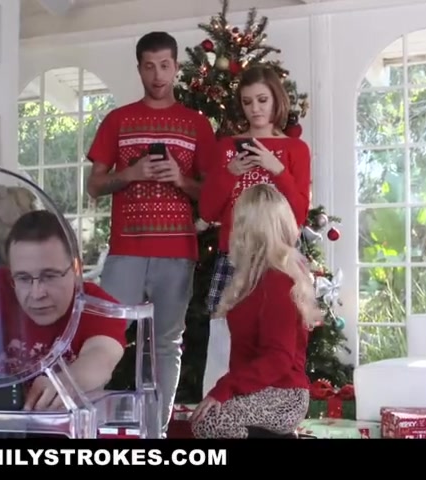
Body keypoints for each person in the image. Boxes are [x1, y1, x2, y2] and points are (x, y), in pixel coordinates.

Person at [85, 31, 217, 433]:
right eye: (149, 66)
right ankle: (83, 426)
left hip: (177, 252)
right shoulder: (118, 120)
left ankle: (156, 434)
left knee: (166, 345)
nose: (157, 75)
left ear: (176, 67)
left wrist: (180, 179)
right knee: (102, 334)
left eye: (164, 66)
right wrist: (130, 173)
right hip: (125, 250)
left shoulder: (196, 124)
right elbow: (94, 185)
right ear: (139, 68)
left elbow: (213, 195)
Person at [0, 210, 127, 410]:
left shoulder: (98, 304)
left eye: (49, 276)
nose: (37, 293)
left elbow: (101, 358)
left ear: (76, 269)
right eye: (23, 278)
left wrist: (66, 382)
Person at [198, 66, 311, 397]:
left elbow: (299, 215)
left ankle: (265, 409)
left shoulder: (296, 150)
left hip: (278, 258)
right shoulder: (228, 148)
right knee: (224, 337)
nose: (255, 109)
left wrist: (277, 169)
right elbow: (207, 211)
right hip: (233, 256)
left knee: (276, 336)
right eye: (247, 102)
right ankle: (218, 403)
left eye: (262, 100)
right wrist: (230, 172)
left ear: (276, 100)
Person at [190, 184, 320, 438]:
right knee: (207, 418)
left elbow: (278, 358)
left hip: (284, 394)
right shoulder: (253, 278)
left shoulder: (277, 281)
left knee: (210, 422)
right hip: (260, 389)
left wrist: (226, 388)